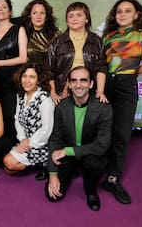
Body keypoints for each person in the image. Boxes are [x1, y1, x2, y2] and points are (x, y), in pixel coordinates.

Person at [101, 0, 142, 205]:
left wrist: (136, 71)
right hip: (106, 85)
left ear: (136, 14)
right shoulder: (108, 37)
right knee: (103, 129)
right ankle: (97, 169)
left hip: (126, 86)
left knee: (121, 133)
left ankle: (113, 178)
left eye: (127, 11)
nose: (122, 14)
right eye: (119, 11)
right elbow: (102, 64)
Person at [45, 66, 112, 211]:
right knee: (53, 195)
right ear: (68, 84)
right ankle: (71, 171)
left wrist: (67, 151)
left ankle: (91, 190)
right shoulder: (61, 107)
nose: (78, 85)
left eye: (83, 80)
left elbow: (102, 145)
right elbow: (55, 139)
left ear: (91, 84)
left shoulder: (104, 108)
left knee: (96, 164)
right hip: (69, 154)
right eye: (74, 81)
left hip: (89, 153)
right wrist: (52, 174)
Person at [46, 2, 108, 105]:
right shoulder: (57, 42)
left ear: (87, 19)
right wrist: (53, 92)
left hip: (90, 91)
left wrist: (100, 91)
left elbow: (102, 68)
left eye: (79, 15)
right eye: (70, 16)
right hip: (63, 91)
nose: (74, 19)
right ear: (67, 20)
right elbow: (49, 70)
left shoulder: (96, 41)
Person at [3, 63, 54, 180]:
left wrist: (29, 144)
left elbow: (46, 130)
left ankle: (45, 163)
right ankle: (39, 164)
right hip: (26, 141)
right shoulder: (21, 95)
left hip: (42, 144)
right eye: (24, 76)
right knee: (8, 169)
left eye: (32, 77)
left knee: (9, 163)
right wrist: (22, 140)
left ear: (38, 80)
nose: (27, 80)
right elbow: (17, 120)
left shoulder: (44, 99)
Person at [0, 0, 28, 143]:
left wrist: (1, 62)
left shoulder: (18, 30)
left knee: (9, 114)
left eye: (4, 6)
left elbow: (23, 58)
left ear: (10, 11)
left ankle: (11, 146)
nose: (0, 9)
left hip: (11, 80)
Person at [20, 0, 60, 67]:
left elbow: (59, 59)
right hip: (28, 74)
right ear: (29, 15)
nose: (38, 16)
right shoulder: (23, 33)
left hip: (49, 74)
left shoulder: (55, 34)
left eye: (42, 13)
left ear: (46, 16)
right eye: (34, 13)